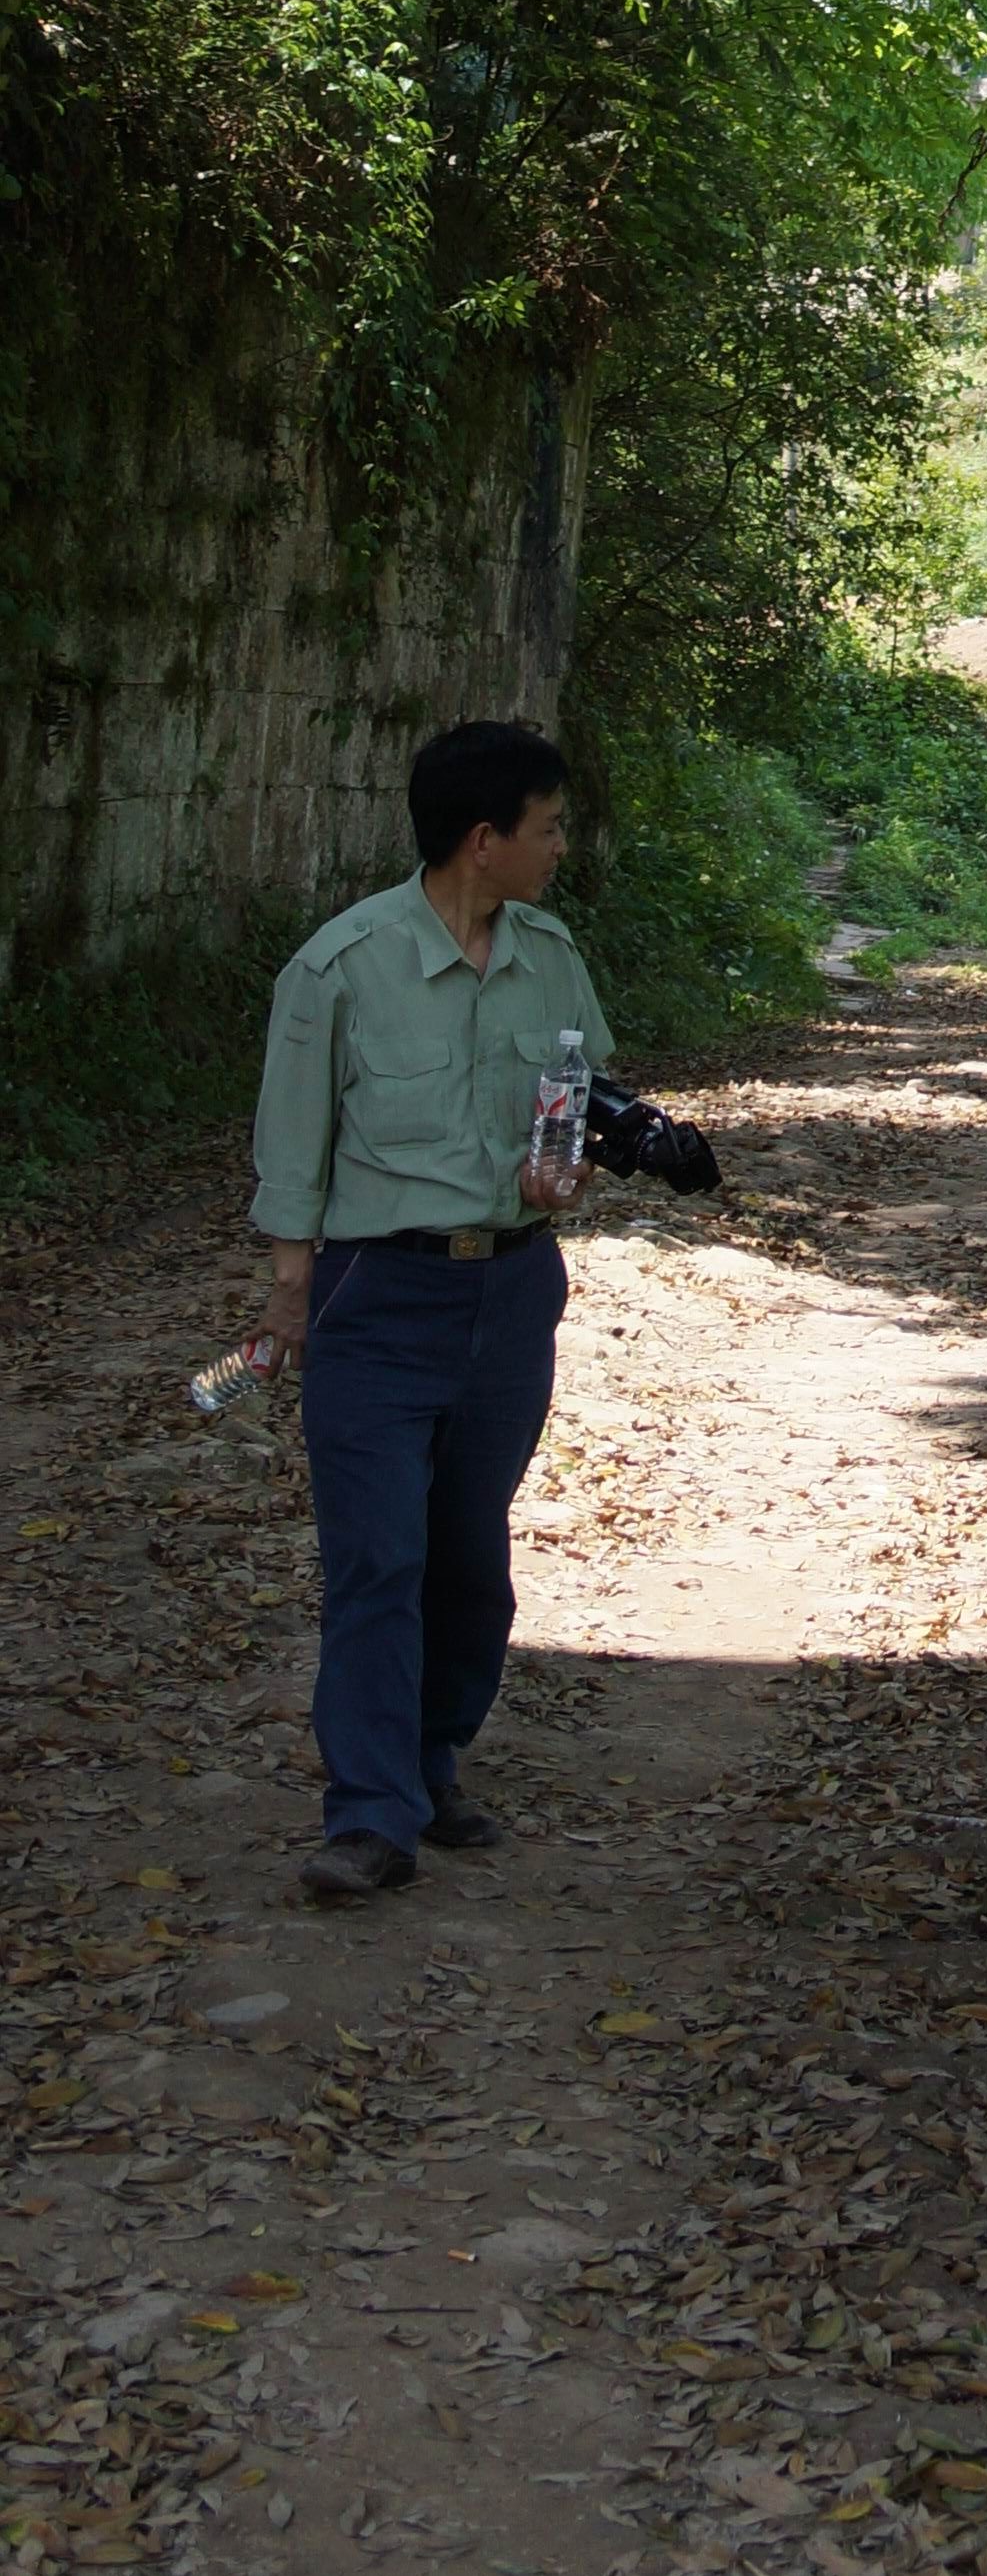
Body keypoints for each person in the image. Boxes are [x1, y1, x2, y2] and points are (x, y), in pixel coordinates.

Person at [248, 721, 610, 1909]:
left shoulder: (552, 956)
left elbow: (581, 1101)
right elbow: (292, 1150)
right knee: (375, 1559)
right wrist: (292, 1299)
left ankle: (429, 1762)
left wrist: (574, 1164)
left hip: (509, 1296)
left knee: (469, 1559)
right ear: (482, 838)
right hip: (375, 1297)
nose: (560, 847)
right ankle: (368, 1817)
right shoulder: (340, 968)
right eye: (546, 828)